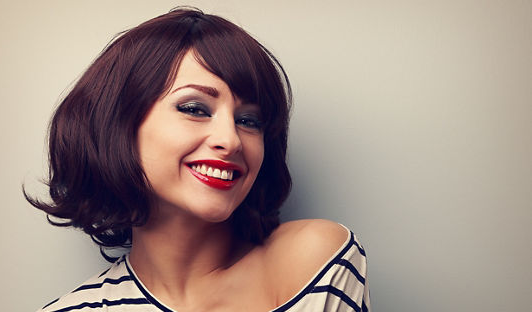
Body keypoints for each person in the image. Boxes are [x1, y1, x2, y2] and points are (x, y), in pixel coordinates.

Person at [25, 7, 370, 312]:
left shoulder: (314, 263)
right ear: (119, 125)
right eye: (194, 109)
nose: (231, 140)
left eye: (249, 120)